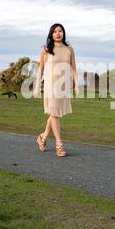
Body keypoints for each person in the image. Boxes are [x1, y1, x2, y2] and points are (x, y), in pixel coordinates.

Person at [33, 23, 79, 157]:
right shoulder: (47, 49)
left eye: (60, 31)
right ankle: (59, 145)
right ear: (51, 34)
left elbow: (74, 68)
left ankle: (43, 137)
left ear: (63, 33)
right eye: (55, 31)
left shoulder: (69, 49)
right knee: (54, 113)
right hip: (50, 86)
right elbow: (40, 70)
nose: (58, 33)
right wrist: (37, 86)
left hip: (63, 86)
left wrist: (76, 84)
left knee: (55, 114)